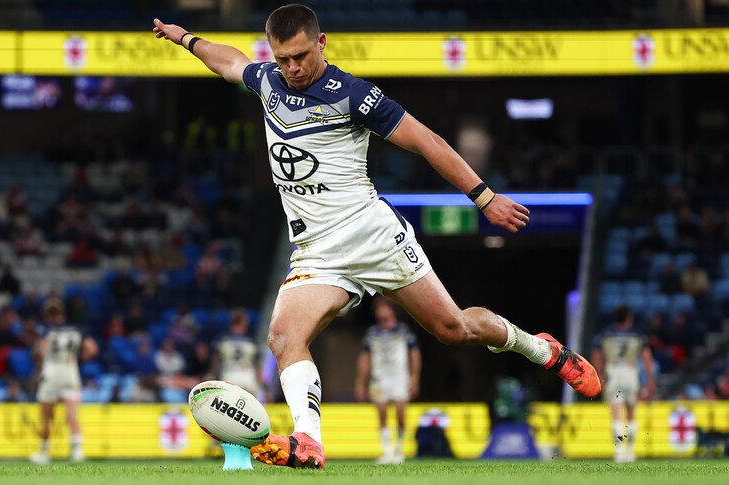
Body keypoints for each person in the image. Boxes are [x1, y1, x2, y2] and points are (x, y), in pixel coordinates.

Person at [153, 4, 601, 469]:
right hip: (317, 252)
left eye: (302, 56)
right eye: (283, 58)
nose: (293, 68)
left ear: (321, 43)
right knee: (284, 337)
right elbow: (227, 59)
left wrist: (484, 197)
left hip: (373, 236)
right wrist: (186, 38)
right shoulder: (268, 81)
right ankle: (308, 441)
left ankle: (541, 348)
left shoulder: (353, 95)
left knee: (454, 330)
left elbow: (426, 140)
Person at [29, 297, 98, 464]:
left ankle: (44, 453)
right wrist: (79, 359)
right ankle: (77, 451)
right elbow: (92, 349)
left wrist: (39, 364)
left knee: (46, 415)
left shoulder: (45, 329)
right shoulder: (77, 329)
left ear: (46, 314)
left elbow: (41, 352)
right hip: (70, 369)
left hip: (51, 370)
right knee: (72, 414)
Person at [355, 296, 421, 464]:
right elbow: (365, 358)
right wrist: (361, 383)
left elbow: (414, 355)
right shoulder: (372, 333)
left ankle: (399, 449)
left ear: (392, 311)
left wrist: (414, 379)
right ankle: (387, 451)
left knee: (400, 414)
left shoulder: (403, 331)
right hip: (380, 378)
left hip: (399, 378)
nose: (381, 312)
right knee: (382, 413)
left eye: (384, 308)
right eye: (378, 309)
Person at [590, 306, 656, 463]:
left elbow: (596, 355)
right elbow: (647, 358)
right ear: (629, 318)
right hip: (630, 372)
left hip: (613, 373)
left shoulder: (605, 334)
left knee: (616, 414)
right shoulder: (638, 334)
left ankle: (619, 452)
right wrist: (650, 380)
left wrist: (599, 375)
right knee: (631, 413)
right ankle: (631, 451)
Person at [211, 308, 262, 397]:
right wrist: (262, 386)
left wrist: (214, 378)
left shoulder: (222, 339)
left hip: (229, 377)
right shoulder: (251, 341)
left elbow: (215, 362)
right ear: (243, 321)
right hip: (248, 378)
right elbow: (257, 366)